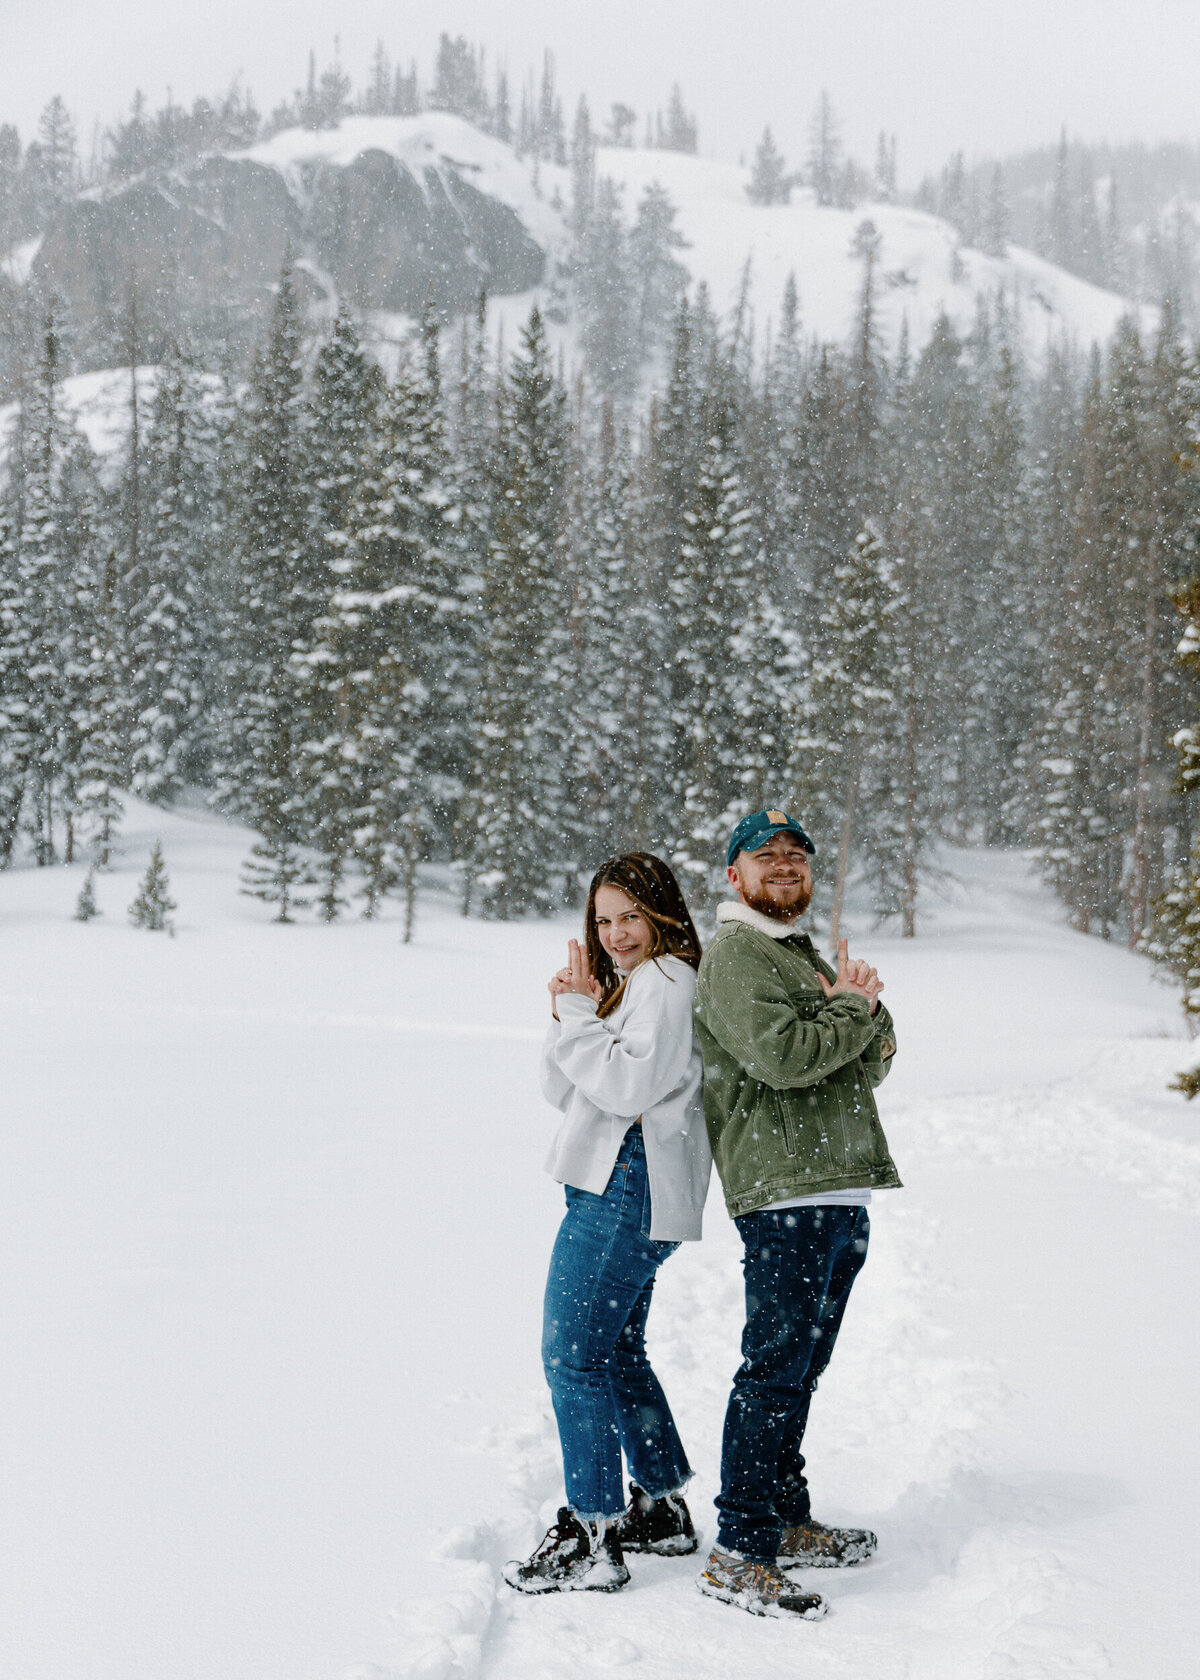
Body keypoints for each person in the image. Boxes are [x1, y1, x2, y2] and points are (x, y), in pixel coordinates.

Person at [692, 809, 901, 1619]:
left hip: (838, 1186)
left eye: (796, 855)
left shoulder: (799, 952)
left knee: (802, 1368)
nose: (784, 864)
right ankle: (740, 1549)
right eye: (764, 855)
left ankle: (784, 1516)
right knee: (773, 1370)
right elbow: (784, 1058)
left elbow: (869, 1065)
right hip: (785, 1190)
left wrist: (858, 1017)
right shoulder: (738, 955)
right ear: (735, 876)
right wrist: (851, 1013)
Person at [503, 853, 712, 1595]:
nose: (617, 933)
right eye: (603, 919)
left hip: (629, 1183)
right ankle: (658, 1508)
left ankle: (591, 1534)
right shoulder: (631, 983)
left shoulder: (667, 980)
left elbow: (628, 1086)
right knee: (617, 1352)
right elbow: (564, 1086)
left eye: (631, 916)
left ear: (662, 914)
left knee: (572, 1358)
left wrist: (581, 1022)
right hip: (615, 1184)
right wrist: (573, 1006)